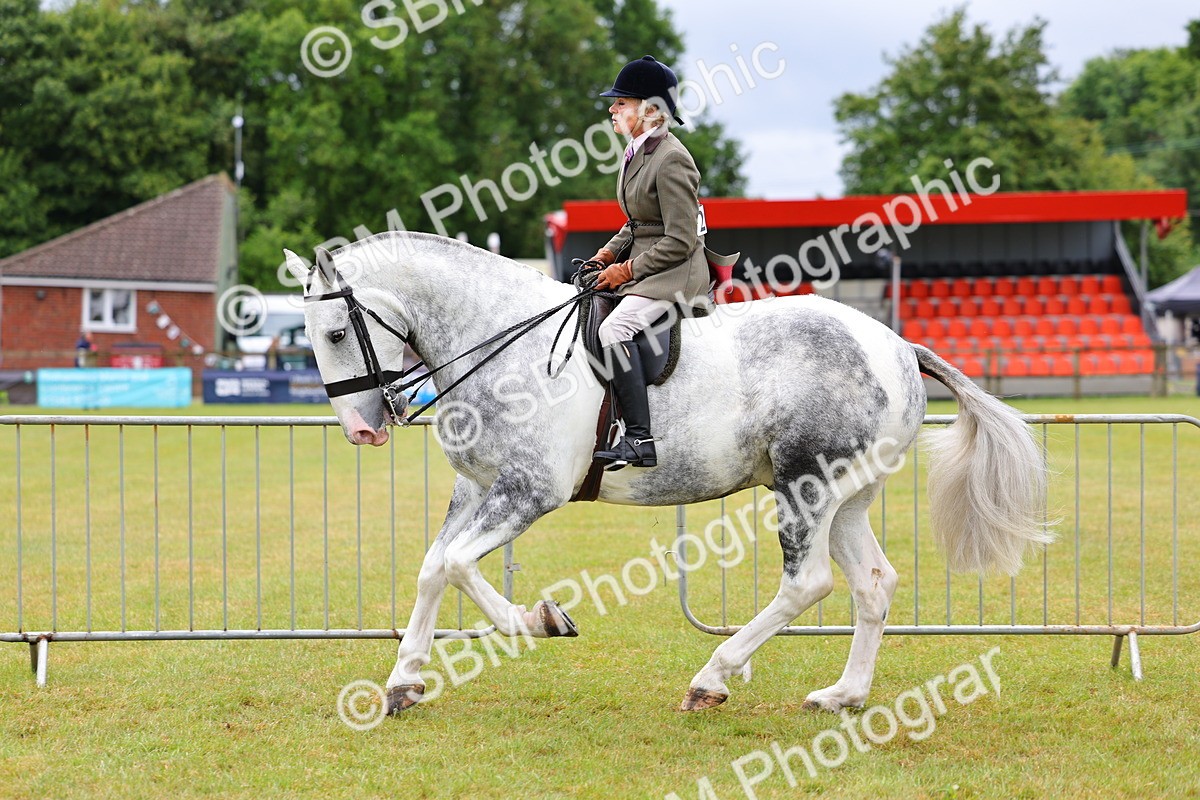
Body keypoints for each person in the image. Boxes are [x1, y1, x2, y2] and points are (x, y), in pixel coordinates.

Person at [585, 55, 713, 471]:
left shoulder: (672, 158)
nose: (613, 108)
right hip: (649, 265)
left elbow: (680, 238)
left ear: (651, 109)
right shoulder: (637, 151)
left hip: (675, 273)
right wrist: (607, 253)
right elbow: (638, 223)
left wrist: (626, 270)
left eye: (622, 102)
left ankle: (640, 438)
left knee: (614, 328)